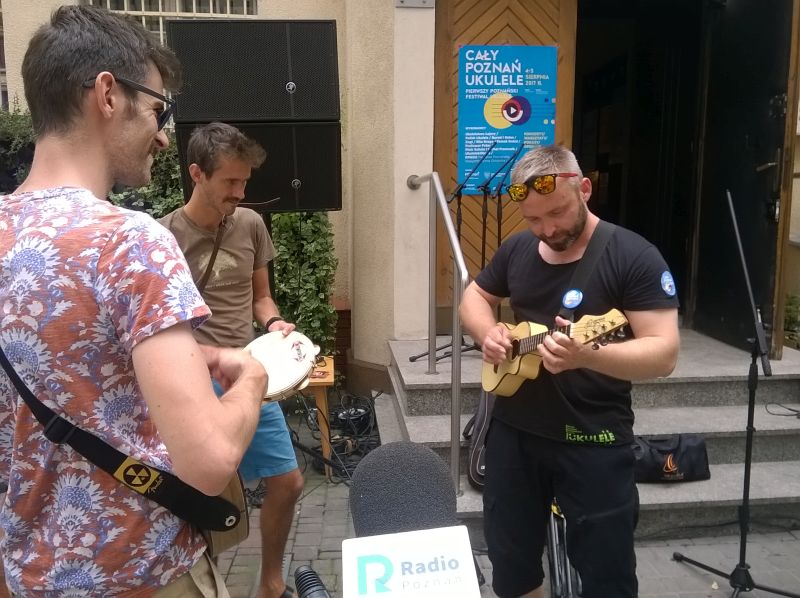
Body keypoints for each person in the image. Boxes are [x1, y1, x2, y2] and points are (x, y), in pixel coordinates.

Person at [0, 6, 269, 596]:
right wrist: (251, 374)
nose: (165, 133)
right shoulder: (131, 240)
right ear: (107, 95)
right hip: (141, 577)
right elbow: (210, 456)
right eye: (157, 109)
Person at [459, 144, 680, 598]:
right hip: (514, 434)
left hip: (593, 439)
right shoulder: (519, 247)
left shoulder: (633, 255)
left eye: (557, 213)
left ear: (584, 189)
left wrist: (590, 356)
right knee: (512, 566)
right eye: (534, 219)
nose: (547, 229)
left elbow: (664, 353)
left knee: (606, 575)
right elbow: (475, 296)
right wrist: (488, 334)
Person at [160, 122, 304, 598]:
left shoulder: (251, 226)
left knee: (288, 481)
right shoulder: (162, 239)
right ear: (196, 173)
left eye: (245, 182)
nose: (240, 193)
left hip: (247, 376)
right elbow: (161, 332)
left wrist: (276, 324)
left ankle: (270, 580)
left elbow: (261, 298)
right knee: (201, 498)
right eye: (230, 183)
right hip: (191, 382)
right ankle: (211, 584)